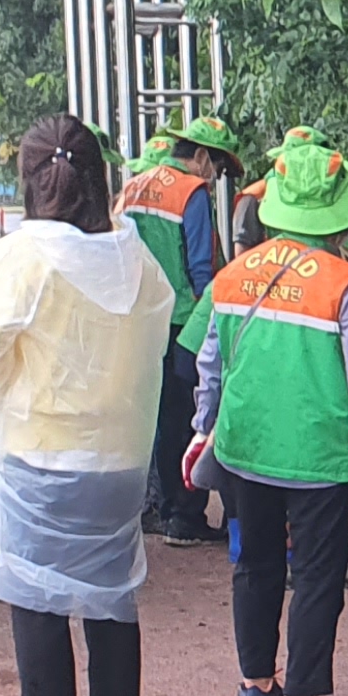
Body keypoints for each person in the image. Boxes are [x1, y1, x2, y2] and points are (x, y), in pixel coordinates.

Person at [182, 127, 348, 696]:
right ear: (339, 212)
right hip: (320, 455)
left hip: (243, 444)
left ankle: (256, 688)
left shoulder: (236, 274)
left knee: (254, 565)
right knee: (316, 575)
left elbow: (212, 360)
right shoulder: (347, 283)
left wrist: (202, 428)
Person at [0, 114, 172, 696]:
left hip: (45, 445)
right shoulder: (132, 252)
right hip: (121, 455)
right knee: (110, 584)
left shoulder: (25, 254)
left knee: (34, 587)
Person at [121, 116, 243, 546]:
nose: (217, 177)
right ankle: (183, 514)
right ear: (203, 157)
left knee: (151, 417)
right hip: (181, 320)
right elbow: (200, 267)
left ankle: (154, 505)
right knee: (183, 418)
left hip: (137, 315)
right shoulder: (191, 191)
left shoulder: (133, 186)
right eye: (220, 167)